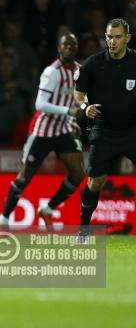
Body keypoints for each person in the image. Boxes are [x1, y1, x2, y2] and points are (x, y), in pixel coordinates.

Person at [0, 33, 86, 229]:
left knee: (79, 173)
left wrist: (73, 118)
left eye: (73, 44)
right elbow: (39, 104)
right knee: (25, 176)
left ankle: (48, 209)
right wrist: (68, 111)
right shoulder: (52, 72)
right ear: (59, 48)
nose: (70, 47)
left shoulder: (80, 71)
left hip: (63, 129)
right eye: (66, 44)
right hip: (43, 130)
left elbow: (79, 100)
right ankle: (4, 217)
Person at [73, 18, 136, 239]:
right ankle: (83, 229)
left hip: (132, 131)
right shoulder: (93, 64)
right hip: (103, 132)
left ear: (127, 38)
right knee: (96, 182)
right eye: (109, 37)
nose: (113, 41)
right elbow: (78, 95)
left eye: (118, 37)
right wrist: (85, 107)